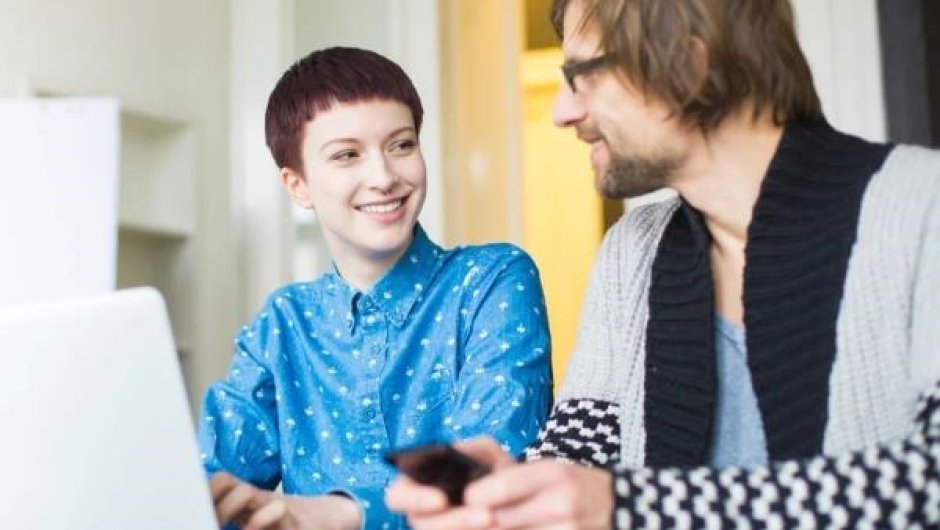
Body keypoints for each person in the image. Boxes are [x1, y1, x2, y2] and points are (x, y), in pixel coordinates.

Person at [386, 0, 940, 528]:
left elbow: (929, 483)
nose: (563, 111)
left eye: (585, 74)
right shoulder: (633, 249)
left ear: (690, 63)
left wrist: (627, 509)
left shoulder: (923, 206)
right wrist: (517, 492)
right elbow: (585, 449)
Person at [198, 46, 553, 530]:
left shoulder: (491, 280)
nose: (384, 177)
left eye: (402, 145)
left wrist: (337, 514)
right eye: (347, 155)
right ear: (297, 184)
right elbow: (210, 483)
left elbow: (486, 480)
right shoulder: (283, 322)